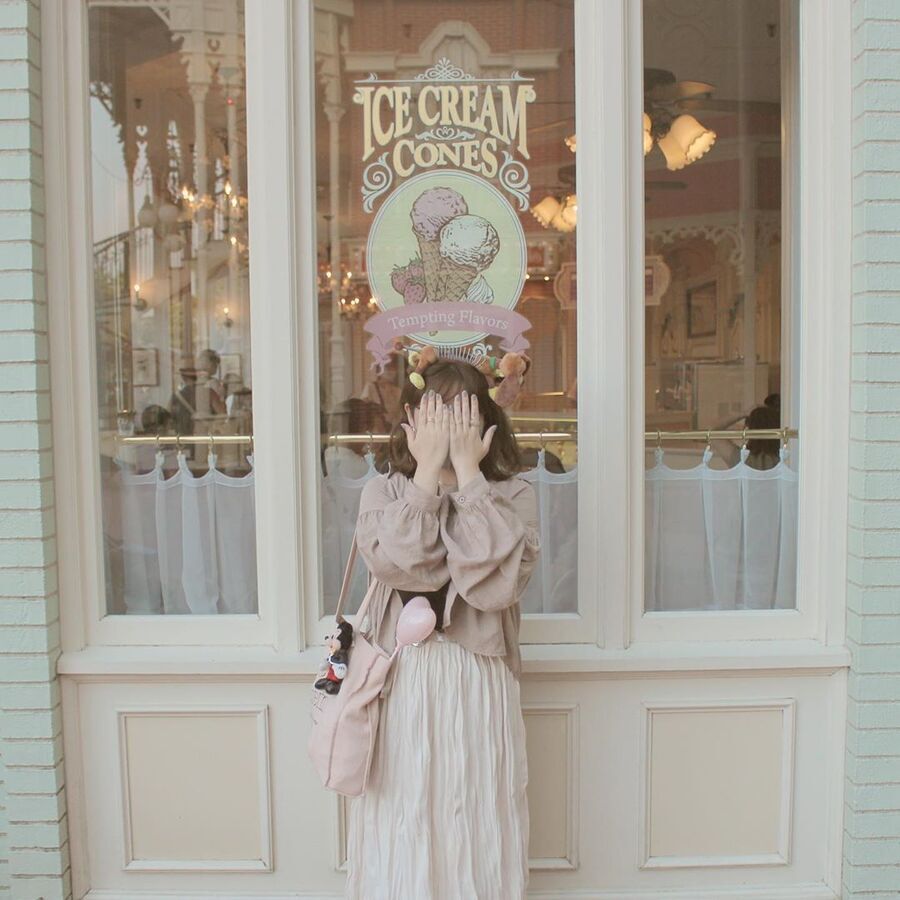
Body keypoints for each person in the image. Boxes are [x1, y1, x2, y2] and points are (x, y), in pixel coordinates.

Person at [345, 358, 540, 899]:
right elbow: (406, 567)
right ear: (412, 420)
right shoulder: (384, 493)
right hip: (400, 680)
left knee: (475, 806)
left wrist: (470, 478)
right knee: (404, 807)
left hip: (478, 676)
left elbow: (494, 586)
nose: (449, 427)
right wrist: (426, 477)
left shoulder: (513, 496)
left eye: (463, 414)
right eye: (436, 414)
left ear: (486, 422)